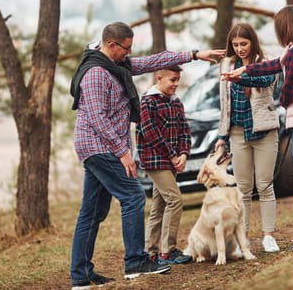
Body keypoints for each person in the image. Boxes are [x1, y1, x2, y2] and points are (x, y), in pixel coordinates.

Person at [69, 21, 224, 289]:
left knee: (92, 212)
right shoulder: (96, 72)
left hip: (100, 146)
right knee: (133, 196)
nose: (129, 53)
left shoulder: (117, 65)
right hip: (100, 146)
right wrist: (122, 153)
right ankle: (135, 262)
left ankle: (80, 276)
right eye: (125, 48)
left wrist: (195, 55)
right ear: (111, 45)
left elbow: (156, 61)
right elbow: (97, 118)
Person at [221, 5, 293, 251]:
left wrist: (282, 102)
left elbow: (289, 88)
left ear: (285, 28)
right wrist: (246, 69)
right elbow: (274, 64)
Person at [214, 23, 280, 253]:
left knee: (264, 185)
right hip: (237, 133)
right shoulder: (227, 64)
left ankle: (269, 235)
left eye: (244, 44)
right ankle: (244, 239)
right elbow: (225, 104)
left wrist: (242, 76)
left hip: (264, 132)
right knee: (243, 189)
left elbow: (266, 81)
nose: (240, 48)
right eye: (235, 44)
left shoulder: (266, 60)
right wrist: (222, 136)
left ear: (253, 42)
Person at [136, 65, 192, 265]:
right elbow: (150, 132)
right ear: (159, 78)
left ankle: (150, 252)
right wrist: (172, 155)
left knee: (159, 206)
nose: (176, 84)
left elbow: (185, 129)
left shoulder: (176, 102)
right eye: (172, 80)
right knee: (175, 200)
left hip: (172, 159)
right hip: (155, 159)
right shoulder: (148, 101)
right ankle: (167, 252)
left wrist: (184, 153)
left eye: (178, 80)